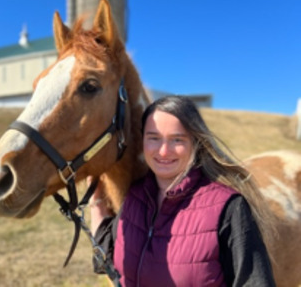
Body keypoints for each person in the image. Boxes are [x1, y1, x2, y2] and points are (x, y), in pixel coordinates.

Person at [89, 95, 276, 287]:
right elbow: (107, 257)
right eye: (153, 138)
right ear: (142, 140)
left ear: (195, 143)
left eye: (177, 140)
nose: (163, 151)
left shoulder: (228, 207)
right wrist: (95, 200)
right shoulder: (134, 197)